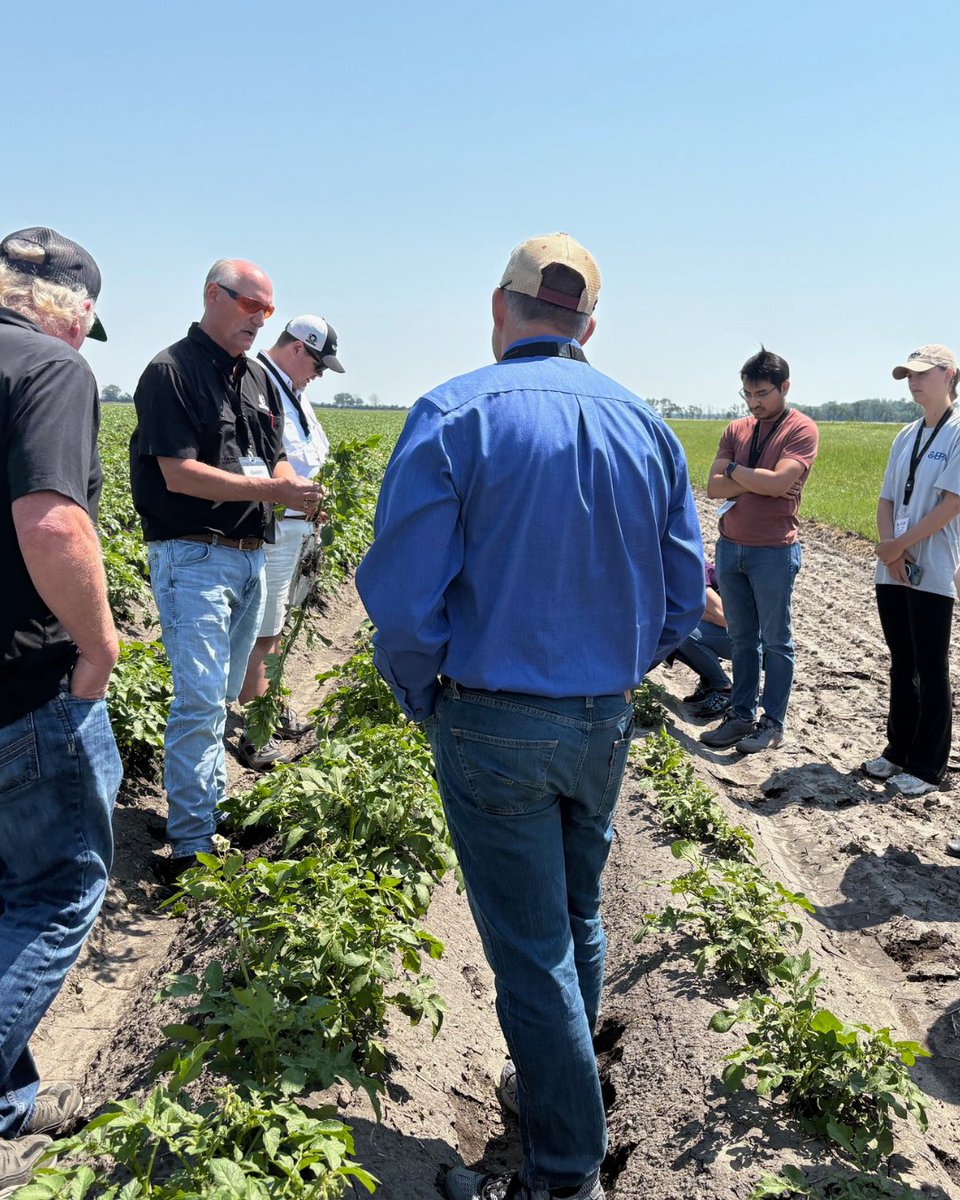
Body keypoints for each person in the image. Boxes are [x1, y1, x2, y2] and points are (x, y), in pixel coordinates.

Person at [356, 233, 704, 1200]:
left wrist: (422, 691)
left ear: (498, 307)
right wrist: (617, 665)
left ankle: (562, 1171)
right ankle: (553, 1086)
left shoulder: (455, 413)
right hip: (602, 718)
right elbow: (684, 596)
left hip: (493, 719)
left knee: (529, 949)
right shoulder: (647, 427)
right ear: (588, 325)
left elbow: (405, 601)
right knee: (576, 916)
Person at [130, 259, 322, 883]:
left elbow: (274, 460)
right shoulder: (171, 371)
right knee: (201, 699)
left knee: (222, 696)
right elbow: (178, 473)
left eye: (268, 310)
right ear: (214, 295)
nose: (260, 319)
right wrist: (273, 492)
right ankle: (190, 845)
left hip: (248, 555)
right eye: (250, 305)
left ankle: (206, 812)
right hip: (193, 556)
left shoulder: (257, 379)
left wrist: (297, 490)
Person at [0, 227, 122, 1192]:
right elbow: (51, 522)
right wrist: (99, 646)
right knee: (56, 889)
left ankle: (10, 1102)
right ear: (73, 308)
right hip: (23, 690)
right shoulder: (48, 368)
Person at [235, 315, 343, 769]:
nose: (319, 375)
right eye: (318, 365)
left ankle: (269, 704)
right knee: (263, 626)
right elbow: (262, 463)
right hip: (276, 526)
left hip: (299, 526)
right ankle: (253, 726)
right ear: (298, 348)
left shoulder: (293, 391)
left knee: (276, 622)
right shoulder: (259, 384)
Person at [700, 347, 818, 754]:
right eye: (747, 394)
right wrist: (756, 479)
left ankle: (772, 723)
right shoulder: (736, 429)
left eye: (762, 393)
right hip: (730, 547)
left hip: (773, 551)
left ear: (785, 387)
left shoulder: (801, 429)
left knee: (776, 640)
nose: (754, 402)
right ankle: (740, 716)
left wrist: (735, 472)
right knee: (741, 638)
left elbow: (778, 483)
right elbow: (714, 486)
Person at [861, 346, 960, 819]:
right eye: (908, 375)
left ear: (949, 374)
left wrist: (901, 545)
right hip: (894, 567)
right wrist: (890, 548)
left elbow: (952, 504)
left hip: (932, 568)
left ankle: (927, 765)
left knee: (930, 665)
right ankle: (897, 750)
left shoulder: (958, 431)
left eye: (922, 374)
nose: (913, 382)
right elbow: (886, 499)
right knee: (902, 662)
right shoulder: (905, 433)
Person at [672, 561, 732, 717]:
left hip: (745, 636)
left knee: (684, 633)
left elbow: (722, 617)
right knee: (669, 632)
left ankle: (725, 690)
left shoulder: (691, 570)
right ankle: (709, 682)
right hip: (725, 631)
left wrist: (683, 614)